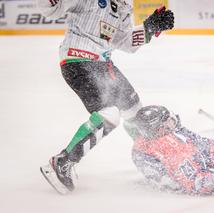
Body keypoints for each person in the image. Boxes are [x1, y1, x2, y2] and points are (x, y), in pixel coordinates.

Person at [38, 0, 174, 194]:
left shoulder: (124, 5)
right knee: (109, 114)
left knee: (134, 110)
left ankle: (150, 158)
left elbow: (124, 41)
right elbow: (52, 10)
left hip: (103, 64)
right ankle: (62, 162)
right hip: (77, 60)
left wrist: (150, 27)